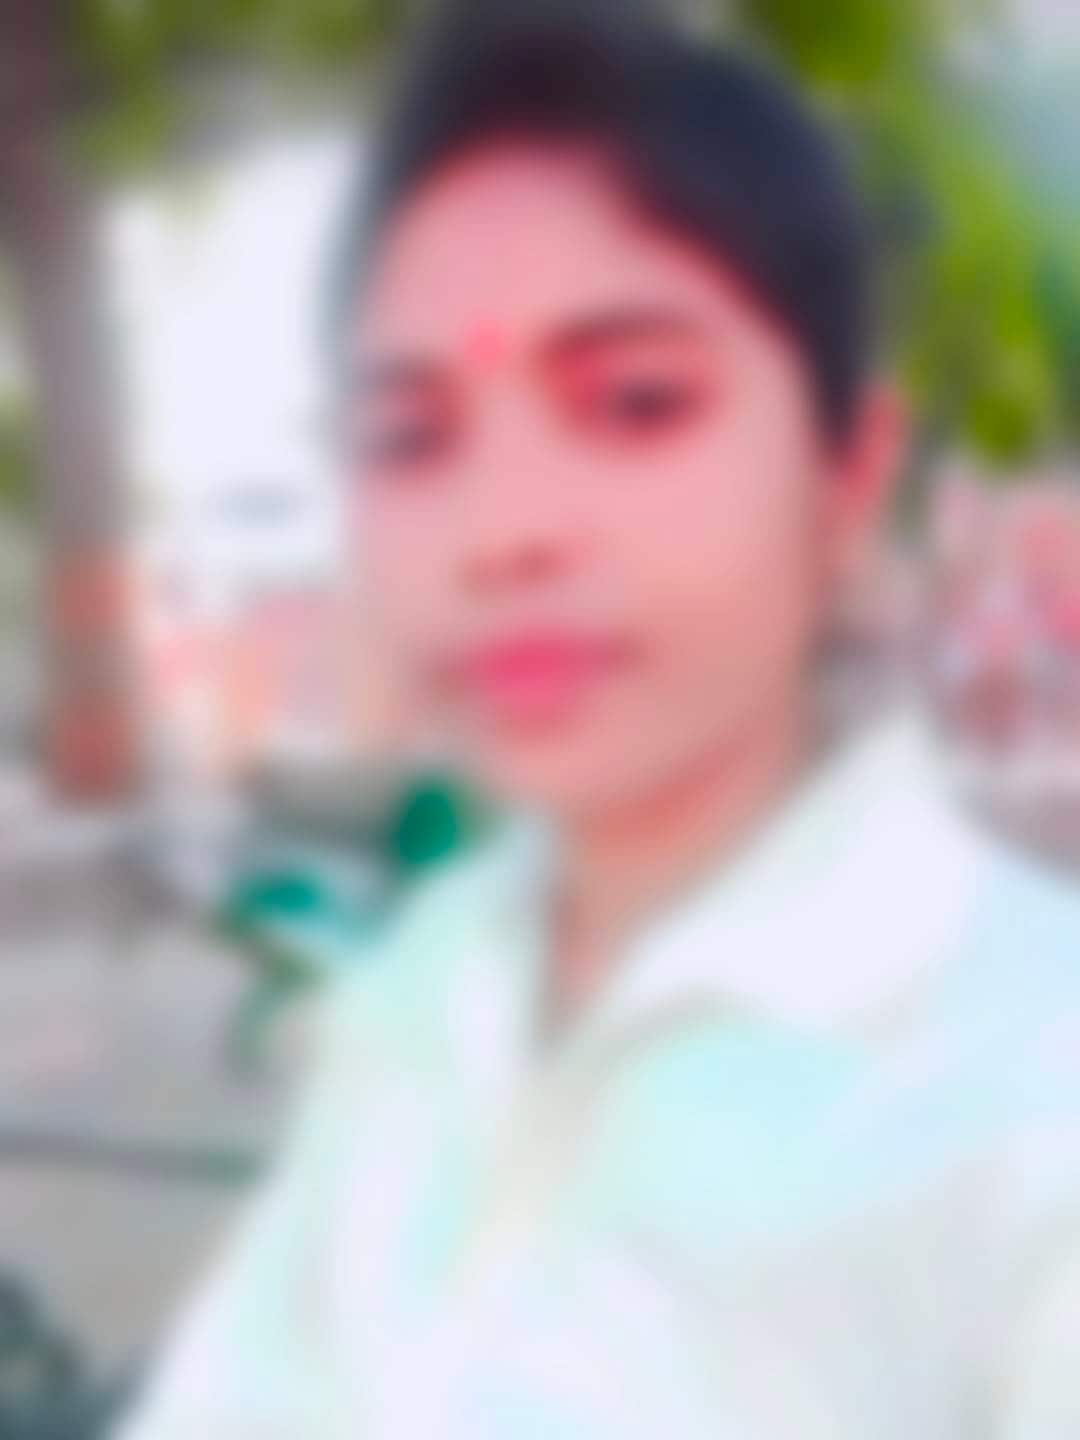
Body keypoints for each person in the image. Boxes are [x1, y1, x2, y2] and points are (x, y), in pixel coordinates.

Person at [119, 3, 1080, 1436]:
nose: (503, 531)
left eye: (635, 402)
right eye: (413, 436)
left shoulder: (1030, 1081)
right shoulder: (422, 992)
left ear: (847, 479)